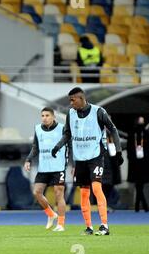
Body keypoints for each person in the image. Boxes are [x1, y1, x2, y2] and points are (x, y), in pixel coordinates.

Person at [51, 87, 124, 236]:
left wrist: (118, 151)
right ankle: (89, 227)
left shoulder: (98, 112)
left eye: (73, 100)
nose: (71, 103)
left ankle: (104, 225)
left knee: (97, 189)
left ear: (81, 98)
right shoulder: (71, 114)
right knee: (84, 193)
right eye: (69, 100)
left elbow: (113, 129)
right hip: (80, 159)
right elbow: (67, 134)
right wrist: (57, 146)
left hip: (95, 156)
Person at [24, 107, 67, 232]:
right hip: (44, 167)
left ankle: (61, 224)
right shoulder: (38, 128)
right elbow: (35, 147)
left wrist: (74, 164)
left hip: (58, 167)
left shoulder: (62, 128)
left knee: (59, 194)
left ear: (53, 117)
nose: (44, 118)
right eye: (42, 115)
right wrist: (28, 159)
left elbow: (69, 146)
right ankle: (51, 214)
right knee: (36, 192)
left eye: (47, 115)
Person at [127, 116, 149, 212]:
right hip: (135, 163)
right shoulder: (132, 134)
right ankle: (144, 205)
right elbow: (129, 149)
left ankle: (138, 205)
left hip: (144, 163)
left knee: (139, 184)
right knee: (138, 184)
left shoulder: (146, 134)